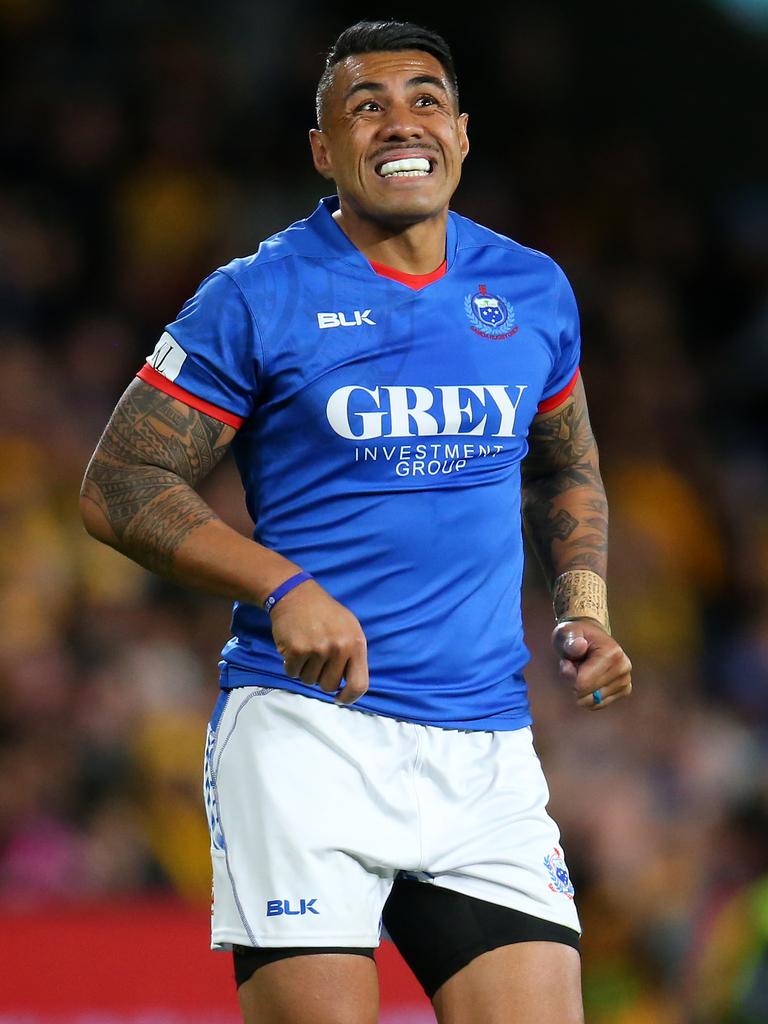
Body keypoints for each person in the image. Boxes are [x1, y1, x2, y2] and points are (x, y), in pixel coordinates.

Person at [80, 19, 632, 1024]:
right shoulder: (255, 296)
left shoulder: (531, 290)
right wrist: (279, 586)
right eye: (364, 107)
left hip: (484, 750)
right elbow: (119, 481)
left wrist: (581, 607)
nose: (398, 123)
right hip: (307, 739)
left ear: (462, 134)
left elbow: (566, 465)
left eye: (424, 100)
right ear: (323, 151)